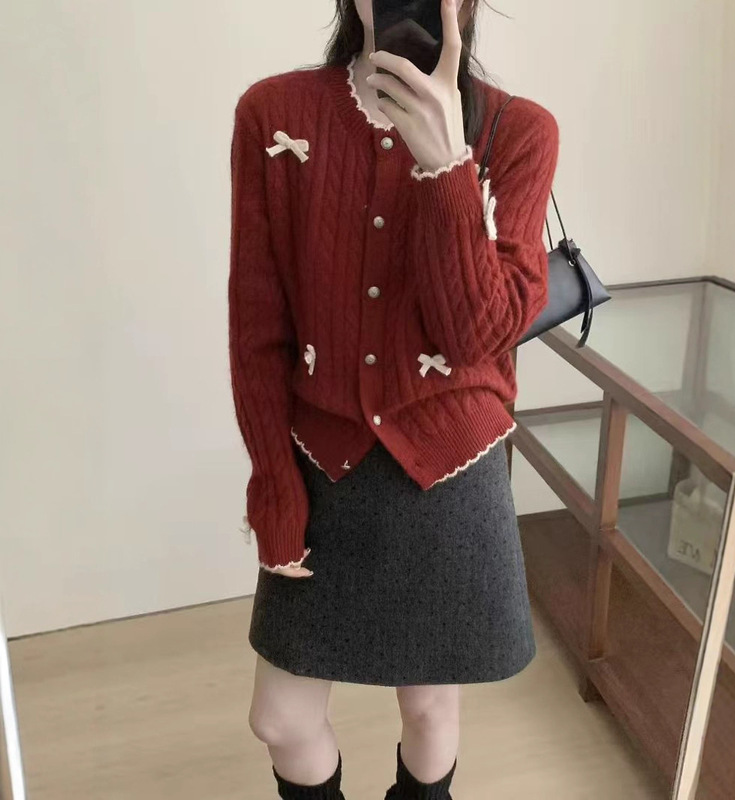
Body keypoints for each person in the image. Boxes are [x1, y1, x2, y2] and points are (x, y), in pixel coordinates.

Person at [227, 0, 559, 797]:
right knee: (280, 718)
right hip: (321, 467)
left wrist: (447, 166)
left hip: (452, 472)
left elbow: (478, 335)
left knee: (431, 709)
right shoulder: (274, 114)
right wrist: (273, 488)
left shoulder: (518, 132)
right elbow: (257, 326)